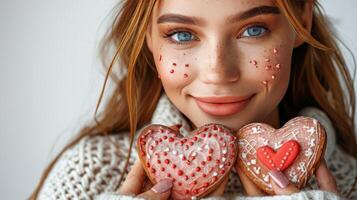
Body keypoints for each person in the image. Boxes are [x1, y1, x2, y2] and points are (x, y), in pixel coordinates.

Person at [29, 0, 357, 199]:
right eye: (182, 35)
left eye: (254, 29)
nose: (217, 72)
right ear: (148, 36)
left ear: (301, 21)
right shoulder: (90, 172)